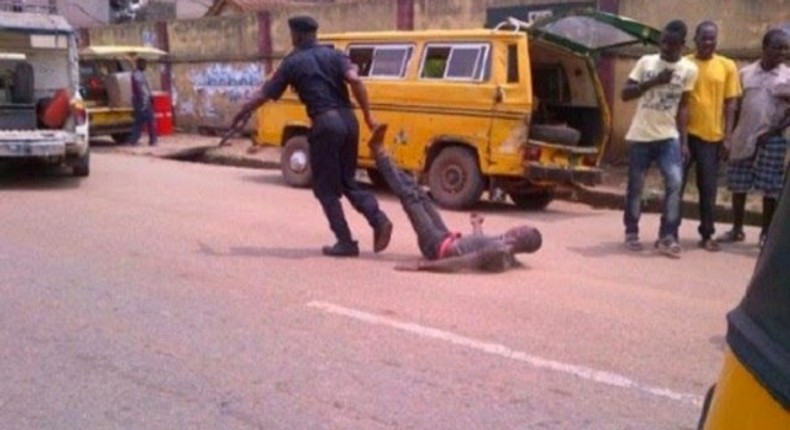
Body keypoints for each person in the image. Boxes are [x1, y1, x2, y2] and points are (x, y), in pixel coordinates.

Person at [228, 15, 392, 257]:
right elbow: (355, 80)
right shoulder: (335, 55)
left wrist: (242, 112)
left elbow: (264, 93)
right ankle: (378, 219)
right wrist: (368, 116)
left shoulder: (292, 62)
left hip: (325, 124)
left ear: (297, 35)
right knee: (348, 181)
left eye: (292, 34)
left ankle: (345, 241)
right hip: (350, 121)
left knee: (325, 189)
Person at [367, 124, 542, 273]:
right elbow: (477, 244)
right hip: (446, 237)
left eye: (521, 230)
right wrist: (477, 225)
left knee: (410, 197)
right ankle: (383, 155)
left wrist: (423, 266)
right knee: (419, 193)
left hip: (435, 246)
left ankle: (379, 152)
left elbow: (464, 262)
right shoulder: (504, 246)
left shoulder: (500, 250)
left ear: (521, 239)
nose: (516, 228)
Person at [620, 19, 698, 259]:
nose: (664, 47)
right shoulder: (646, 62)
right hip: (641, 135)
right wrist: (654, 81)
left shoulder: (689, 70)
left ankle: (667, 236)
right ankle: (631, 231)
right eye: (662, 41)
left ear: (681, 45)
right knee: (636, 186)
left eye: (671, 44)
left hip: (668, 137)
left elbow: (683, 107)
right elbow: (625, 94)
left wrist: (684, 141)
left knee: (675, 182)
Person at [717, 28, 790, 249]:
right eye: (778, 47)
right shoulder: (745, 73)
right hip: (743, 135)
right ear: (764, 47)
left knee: (770, 189)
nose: (783, 52)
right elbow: (735, 106)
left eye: (786, 48)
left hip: (773, 138)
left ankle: (765, 234)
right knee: (738, 185)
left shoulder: (787, 76)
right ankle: (737, 229)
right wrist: (729, 136)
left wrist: (775, 130)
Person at [680, 21, 741, 252]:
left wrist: (728, 137)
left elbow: (731, 103)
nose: (708, 42)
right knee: (676, 185)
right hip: (685, 136)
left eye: (712, 38)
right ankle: (669, 233)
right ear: (695, 39)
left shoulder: (727, 65)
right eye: (704, 38)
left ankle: (707, 234)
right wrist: (681, 138)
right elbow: (680, 103)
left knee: (708, 188)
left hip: (712, 138)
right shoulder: (685, 63)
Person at [127, 57, 157, 146]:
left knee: (150, 120)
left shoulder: (143, 74)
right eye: (143, 64)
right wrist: (143, 102)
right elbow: (139, 89)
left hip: (146, 100)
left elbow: (147, 87)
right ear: (138, 64)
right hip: (140, 100)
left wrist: (150, 97)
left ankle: (152, 140)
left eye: (145, 64)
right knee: (139, 121)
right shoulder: (136, 74)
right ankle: (134, 140)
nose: (145, 66)